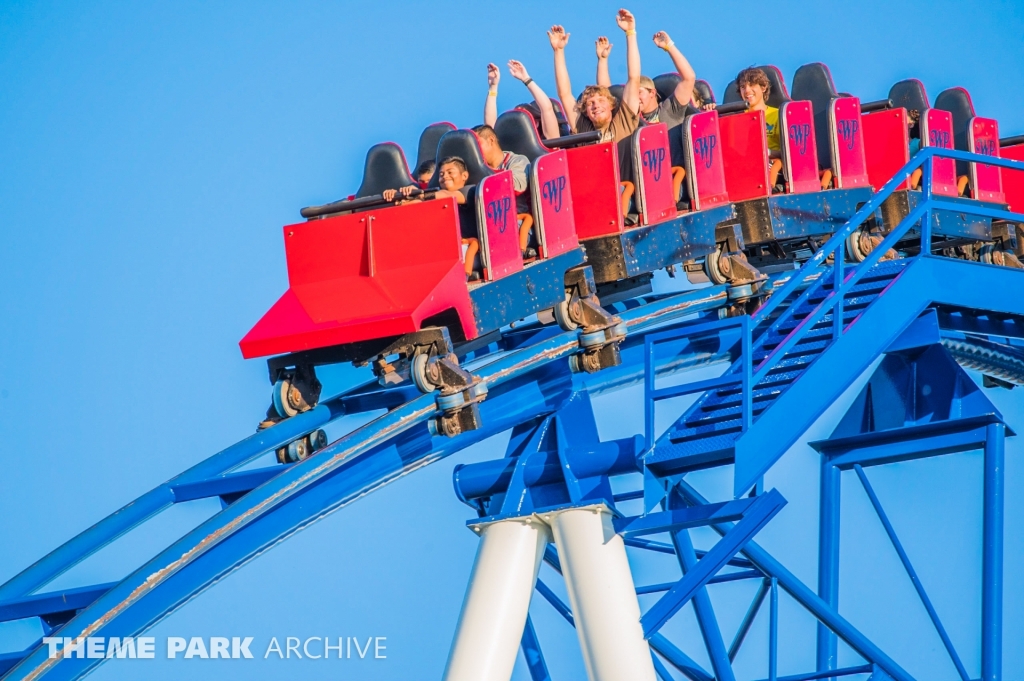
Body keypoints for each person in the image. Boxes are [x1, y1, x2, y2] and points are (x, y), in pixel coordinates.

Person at [597, 29, 696, 201]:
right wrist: (603, 61)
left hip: (672, 183)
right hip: (642, 188)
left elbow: (689, 78)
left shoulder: (670, 110)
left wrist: (669, 46)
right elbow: (607, 94)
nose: (635, 97)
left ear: (653, 93)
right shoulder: (631, 119)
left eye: (640, 92)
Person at [549, 10, 642, 145]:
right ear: (586, 112)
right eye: (590, 103)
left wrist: (630, 33)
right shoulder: (583, 129)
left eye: (600, 100)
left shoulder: (624, 122)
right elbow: (564, 94)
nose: (596, 105)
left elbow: (634, 78)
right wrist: (558, 51)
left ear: (611, 105)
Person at [383, 157, 481, 278]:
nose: (445, 176)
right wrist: (397, 197)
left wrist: (420, 195)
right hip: (444, 249)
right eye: (441, 174)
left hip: (468, 249)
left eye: (450, 172)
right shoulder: (435, 197)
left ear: (464, 176)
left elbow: (447, 195)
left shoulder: (469, 190)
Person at [472, 124, 536, 257]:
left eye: (478, 145)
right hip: (488, 224)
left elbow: (518, 186)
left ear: (491, 140)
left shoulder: (518, 160)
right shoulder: (475, 171)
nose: (475, 152)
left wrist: (486, 173)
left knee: (494, 236)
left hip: (519, 224)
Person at [484, 60, 561, 141]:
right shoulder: (506, 147)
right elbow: (490, 129)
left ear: (536, 123)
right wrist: (493, 87)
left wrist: (526, 79)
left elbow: (547, 109)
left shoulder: (550, 141)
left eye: (522, 118)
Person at [735, 67, 784, 190]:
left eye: (752, 85)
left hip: (771, 163)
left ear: (763, 87)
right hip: (744, 167)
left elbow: (788, 152)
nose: (747, 90)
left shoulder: (778, 115)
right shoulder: (737, 118)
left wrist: (765, 152)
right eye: (743, 87)